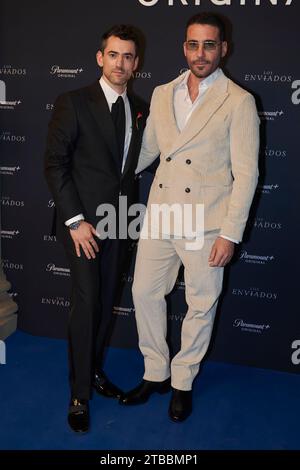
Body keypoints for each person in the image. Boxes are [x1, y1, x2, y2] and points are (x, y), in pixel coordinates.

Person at [119, 12, 260, 422]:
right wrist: (109, 174)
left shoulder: (239, 101)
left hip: (208, 222)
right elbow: (148, 151)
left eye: (210, 45)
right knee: (144, 293)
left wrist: (230, 234)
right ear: (184, 48)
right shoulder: (164, 93)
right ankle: (155, 371)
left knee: (200, 304)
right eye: (194, 45)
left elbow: (247, 173)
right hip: (162, 216)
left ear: (223, 49)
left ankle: (182, 380)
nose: (201, 53)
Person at [44, 24, 148, 433]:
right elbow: (55, 164)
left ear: (136, 63)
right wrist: (75, 221)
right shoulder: (73, 101)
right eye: (114, 54)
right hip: (81, 225)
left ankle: (95, 373)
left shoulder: (139, 108)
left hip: (120, 222)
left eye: (128, 56)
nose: (120, 63)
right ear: (99, 57)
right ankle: (79, 394)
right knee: (87, 302)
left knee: (105, 302)